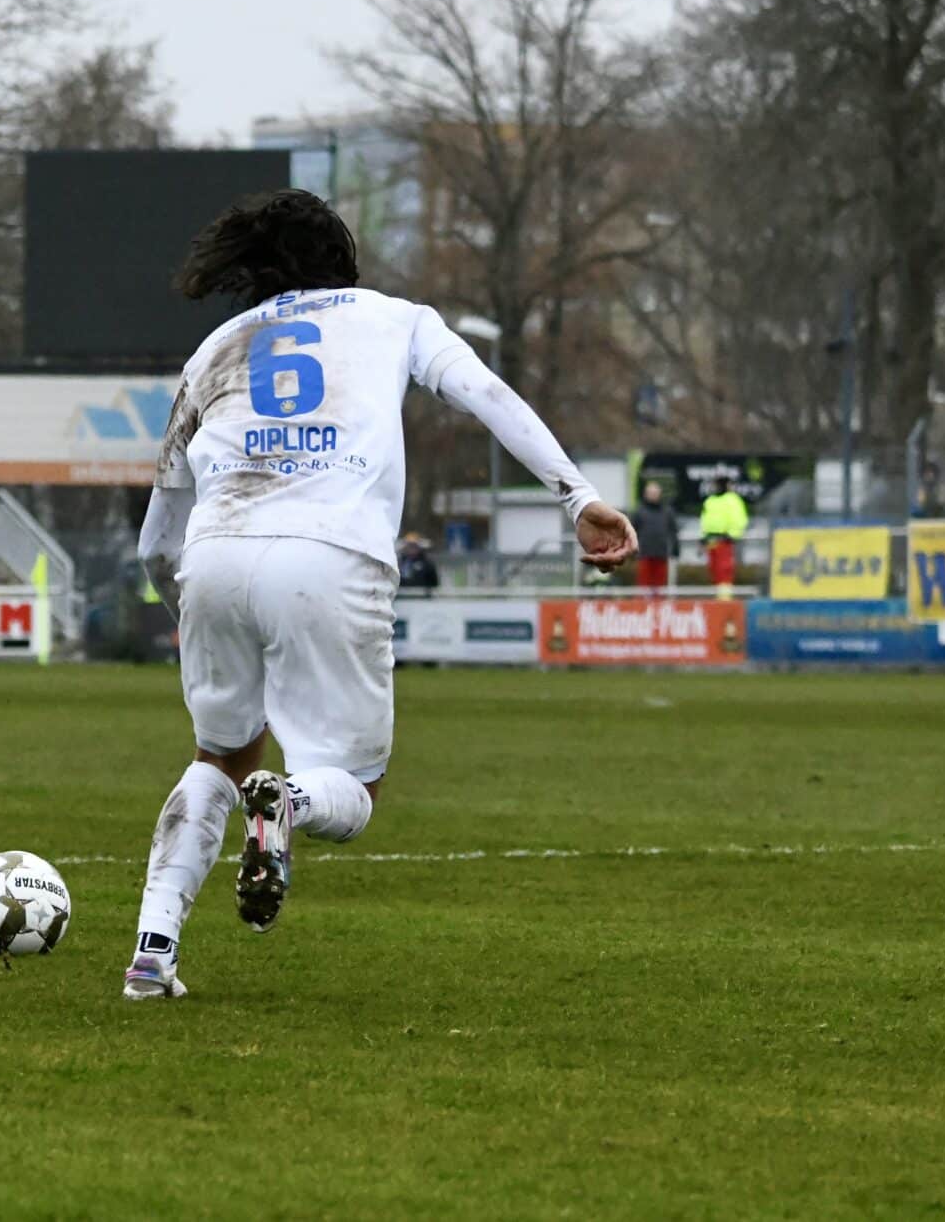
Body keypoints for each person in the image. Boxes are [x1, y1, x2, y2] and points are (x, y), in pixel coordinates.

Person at [122, 189, 635, 1001]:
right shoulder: (394, 318)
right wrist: (577, 497)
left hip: (214, 553)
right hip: (330, 553)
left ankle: (152, 952)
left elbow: (157, 539)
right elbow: (485, 392)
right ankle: (286, 802)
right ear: (345, 265)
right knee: (353, 789)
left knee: (216, 757)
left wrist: (183, 604)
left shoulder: (214, 347)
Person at [699, 477, 748, 599]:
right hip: (711, 540)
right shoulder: (710, 501)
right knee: (713, 570)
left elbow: (740, 520)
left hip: (725, 540)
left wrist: (732, 535)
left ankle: (725, 599)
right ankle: (718, 597)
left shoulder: (733, 500)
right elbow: (705, 520)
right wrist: (704, 537)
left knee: (724, 570)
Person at [630, 480, 679, 593]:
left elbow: (673, 531)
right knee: (643, 587)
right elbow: (632, 531)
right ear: (645, 494)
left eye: (655, 493)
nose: (653, 495)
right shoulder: (639, 512)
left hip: (661, 553)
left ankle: (659, 607)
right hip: (644, 554)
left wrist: (675, 548)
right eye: (650, 493)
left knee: (660, 587)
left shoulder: (667, 512)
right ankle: (642, 608)